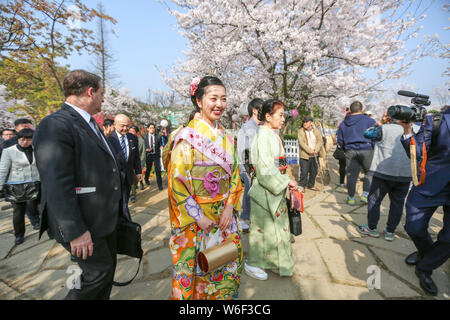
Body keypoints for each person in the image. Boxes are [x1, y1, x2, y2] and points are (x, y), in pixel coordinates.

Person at [33, 69, 122, 300]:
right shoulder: (55, 125)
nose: (103, 99)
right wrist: (75, 231)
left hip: (102, 220)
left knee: (106, 272)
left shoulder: (91, 123)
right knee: (96, 274)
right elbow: (56, 184)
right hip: (83, 224)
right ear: (90, 92)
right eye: (102, 93)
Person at [168, 76, 243, 300]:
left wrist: (230, 207)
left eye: (223, 99)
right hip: (196, 220)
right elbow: (176, 183)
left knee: (227, 265)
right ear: (199, 101)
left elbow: (236, 175)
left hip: (224, 217)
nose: (219, 104)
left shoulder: (228, 138)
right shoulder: (186, 139)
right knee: (194, 271)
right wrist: (197, 216)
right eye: (213, 98)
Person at [397, 107, 450, 296]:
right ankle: (425, 252)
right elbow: (417, 151)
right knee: (413, 227)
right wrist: (407, 129)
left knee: (448, 240)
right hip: (429, 184)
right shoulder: (436, 120)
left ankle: (425, 268)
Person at [244, 99, 298, 280]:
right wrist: (285, 181)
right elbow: (264, 168)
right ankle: (253, 263)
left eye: (284, 115)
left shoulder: (271, 134)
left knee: (274, 230)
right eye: (280, 115)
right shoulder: (263, 136)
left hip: (275, 186)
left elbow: (276, 164)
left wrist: (286, 179)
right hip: (266, 189)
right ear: (268, 116)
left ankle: (276, 262)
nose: (283, 119)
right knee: (262, 230)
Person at [357, 113, 411, 241]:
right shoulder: (415, 129)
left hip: (384, 172)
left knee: (374, 200)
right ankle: (390, 232)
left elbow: (367, 133)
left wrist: (381, 122)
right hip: (405, 174)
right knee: (397, 204)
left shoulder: (384, 128)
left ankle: (372, 228)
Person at [0, 129, 41, 244]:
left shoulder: (36, 149)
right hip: (16, 186)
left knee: (35, 208)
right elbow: (3, 170)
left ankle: (44, 227)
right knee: (18, 212)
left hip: (34, 184)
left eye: (28, 139)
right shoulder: (9, 151)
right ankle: (19, 235)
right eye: (21, 139)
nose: (24, 141)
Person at [337, 101, 376, 205]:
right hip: (367, 149)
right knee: (369, 173)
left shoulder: (344, 123)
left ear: (350, 110)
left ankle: (351, 198)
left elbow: (340, 139)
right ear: (362, 110)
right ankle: (365, 195)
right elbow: (375, 136)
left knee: (351, 175)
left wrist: (344, 149)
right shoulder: (370, 121)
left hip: (350, 150)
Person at [236, 98, 263, 232]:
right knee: (249, 191)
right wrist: (248, 171)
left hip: (262, 168)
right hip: (249, 168)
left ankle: (255, 218)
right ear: (255, 110)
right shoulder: (246, 128)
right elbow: (243, 151)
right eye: (262, 109)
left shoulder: (263, 127)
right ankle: (244, 218)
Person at [108, 114, 142, 220]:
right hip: (113, 179)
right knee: (118, 206)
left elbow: (136, 156)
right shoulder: (109, 138)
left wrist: (139, 171)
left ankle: (123, 223)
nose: (125, 128)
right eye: (122, 126)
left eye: (127, 126)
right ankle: (126, 223)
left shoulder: (132, 138)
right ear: (115, 124)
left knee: (124, 202)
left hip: (128, 177)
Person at [297, 116, 323, 192]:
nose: (304, 123)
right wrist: (310, 150)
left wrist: (316, 149)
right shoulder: (300, 131)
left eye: (306, 122)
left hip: (315, 154)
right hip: (305, 155)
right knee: (304, 172)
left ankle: (311, 185)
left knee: (314, 171)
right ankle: (302, 186)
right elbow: (301, 142)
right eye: (304, 122)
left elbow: (320, 141)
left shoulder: (316, 131)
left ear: (311, 122)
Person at [143, 123, 163, 190]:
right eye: (150, 128)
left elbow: (160, 144)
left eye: (153, 128)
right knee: (148, 168)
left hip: (156, 155)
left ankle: (160, 185)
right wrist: (146, 149)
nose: (152, 129)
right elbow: (143, 147)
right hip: (148, 155)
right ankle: (146, 179)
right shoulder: (144, 137)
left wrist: (161, 147)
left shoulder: (158, 136)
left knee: (158, 170)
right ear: (147, 129)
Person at [129, 125, 146, 201]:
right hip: (129, 164)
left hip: (137, 163)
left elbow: (142, 154)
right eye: (130, 131)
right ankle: (133, 194)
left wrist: (141, 165)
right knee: (132, 179)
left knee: (135, 180)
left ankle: (133, 191)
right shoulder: (127, 139)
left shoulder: (141, 141)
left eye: (133, 132)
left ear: (137, 133)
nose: (131, 133)